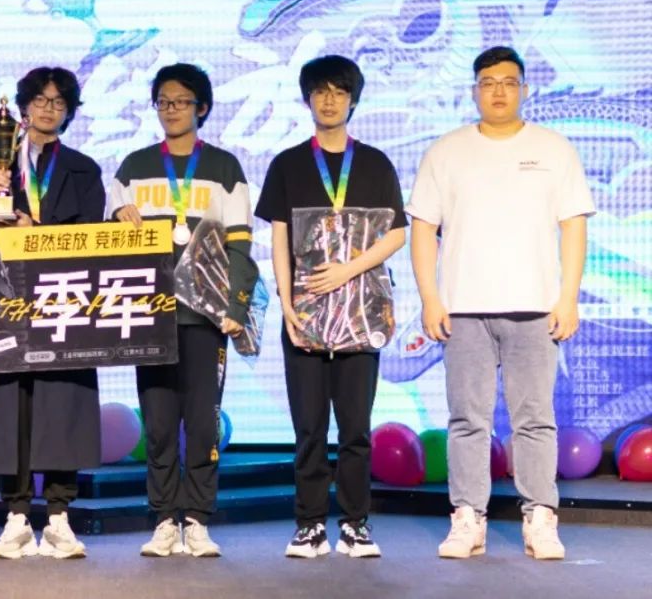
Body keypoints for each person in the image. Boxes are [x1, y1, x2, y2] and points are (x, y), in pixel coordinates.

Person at [407, 46, 595, 560]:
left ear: (524, 90)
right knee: (467, 419)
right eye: (488, 82)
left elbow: (573, 226)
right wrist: (430, 297)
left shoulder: (554, 149)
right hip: (464, 308)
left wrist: (568, 297)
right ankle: (468, 517)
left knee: (535, 418)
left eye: (509, 82)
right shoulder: (446, 151)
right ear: (474, 91)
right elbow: (422, 228)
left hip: (535, 307)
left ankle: (541, 518)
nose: (499, 91)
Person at [255, 55, 407, 559]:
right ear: (307, 99)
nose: (329, 100)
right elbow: (279, 238)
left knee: (356, 429)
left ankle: (356, 525)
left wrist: (347, 270)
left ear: (353, 100)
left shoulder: (376, 163)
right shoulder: (288, 164)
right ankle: (309, 526)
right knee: (309, 428)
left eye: (339, 92)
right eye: (320, 91)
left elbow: (397, 233)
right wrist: (287, 301)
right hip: (306, 315)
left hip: (362, 312)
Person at [108, 63, 256, 558]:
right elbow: (108, 242)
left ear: (202, 108)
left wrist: (236, 305)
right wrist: (117, 216)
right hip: (149, 314)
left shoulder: (224, 167)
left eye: (181, 101)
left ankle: (197, 518)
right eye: (163, 102)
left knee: (202, 420)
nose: (171, 110)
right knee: (159, 423)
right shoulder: (132, 166)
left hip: (206, 318)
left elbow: (240, 243)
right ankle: (163, 518)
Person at [0, 66, 105, 560]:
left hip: (64, 302)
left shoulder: (83, 168)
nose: (48, 109)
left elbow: (92, 236)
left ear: (69, 112)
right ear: (22, 109)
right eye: (40, 100)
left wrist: (35, 230)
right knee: (10, 406)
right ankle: (17, 517)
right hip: (5, 301)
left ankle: (60, 517)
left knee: (63, 404)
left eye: (58, 102)